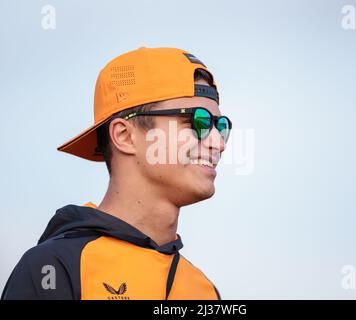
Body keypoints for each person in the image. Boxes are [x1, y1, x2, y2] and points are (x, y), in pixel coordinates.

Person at [1, 47, 232, 300]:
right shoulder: (55, 268)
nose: (218, 143)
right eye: (197, 122)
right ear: (124, 136)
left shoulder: (203, 291)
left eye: (221, 126)